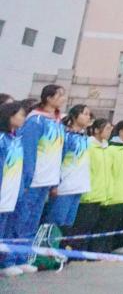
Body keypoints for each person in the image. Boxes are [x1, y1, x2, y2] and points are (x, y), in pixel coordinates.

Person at [11, 84, 67, 270]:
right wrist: (26, 179)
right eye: (59, 95)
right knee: (21, 220)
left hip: (47, 180)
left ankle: (23, 258)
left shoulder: (57, 122)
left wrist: (55, 180)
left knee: (32, 222)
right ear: (48, 98)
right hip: (33, 180)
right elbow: (28, 151)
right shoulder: (35, 121)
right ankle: (10, 260)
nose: (63, 99)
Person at [43, 104, 93, 233]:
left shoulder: (84, 137)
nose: (88, 117)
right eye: (85, 114)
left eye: (89, 114)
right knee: (55, 224)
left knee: (67, 225)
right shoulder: (66, 136)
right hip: (63, 187)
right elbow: (57, 160)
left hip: (78, 186)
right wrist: (54, 184)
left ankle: (59, 245)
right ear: (74, 116)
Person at [69, 117, 111, 252]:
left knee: (92, 227)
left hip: (100, 194)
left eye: (110, 129)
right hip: (88, 194)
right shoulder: (88, 145)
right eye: (107, 129)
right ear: (97, 130)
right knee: (81, 227)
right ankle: (74, 253)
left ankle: (86, 253)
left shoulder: (107, 148)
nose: (109, 132)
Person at [99, 120, 123, 254]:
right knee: (106, 227)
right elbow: (106, 173)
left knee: (118, 226)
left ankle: (111, 249)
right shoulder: (111, 149)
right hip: (113, 196)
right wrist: (109, 193)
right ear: (121, 132)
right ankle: (100, 251)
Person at [0, 101, 27, 278]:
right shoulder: (2, 139)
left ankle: (5, 263)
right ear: (9, 116)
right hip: (3, 192)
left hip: (13, 191)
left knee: (8, 230)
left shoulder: (17, 138)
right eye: (21, 114)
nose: (24, 118)